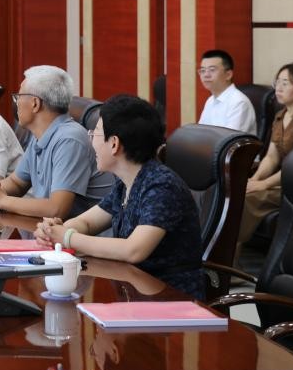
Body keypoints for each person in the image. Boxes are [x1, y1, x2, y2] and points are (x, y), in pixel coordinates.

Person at [35, 94, 205, 300]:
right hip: (135, 289)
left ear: (114, 144)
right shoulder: (126, 182)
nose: (91, 141)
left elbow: (133, 250)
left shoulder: (161, 186)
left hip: (171, 298)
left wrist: (68, 237)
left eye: (95, 134)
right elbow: (87, 222)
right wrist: (55, 231)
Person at [0, 65, 113, 219]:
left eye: (18, 96)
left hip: (84, 231)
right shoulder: (40, 136)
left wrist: (1, 200)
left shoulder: (69, 140)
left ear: (35, 103)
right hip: (53, 229)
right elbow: (17, 183)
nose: (16, 103)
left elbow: (57, 209)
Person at [238, 61, 293, 244]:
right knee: (240, 191)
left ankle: (230, 250)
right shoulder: (280, 115)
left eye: (285, 83)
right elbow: (272, 157)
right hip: (284, 180)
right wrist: (255, 180)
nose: (278, 88)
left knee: (248, 198)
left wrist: (264, 185)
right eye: (277, 82)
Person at [197, 49, 257, 135]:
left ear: (228, 75)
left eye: (212, 70)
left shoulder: (239, 102)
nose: (206, 75)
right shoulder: (210, 100)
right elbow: (200, 133)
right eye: (203, 70)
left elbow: (229, 139)